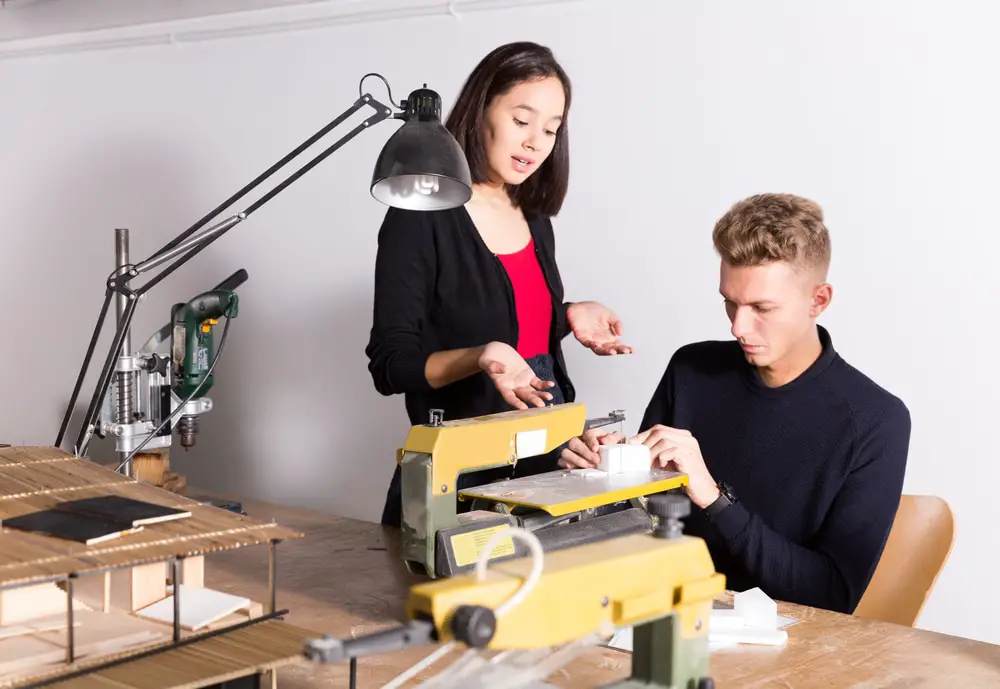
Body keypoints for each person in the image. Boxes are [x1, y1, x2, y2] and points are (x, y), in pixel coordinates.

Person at [559, 193, 910, 615]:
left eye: (762, 308)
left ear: (818, 300)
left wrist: (713, 497)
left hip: (785, 645)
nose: (738, 327)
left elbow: (832, 594)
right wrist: (598, 471)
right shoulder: (692, 368)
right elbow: (639, 522)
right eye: (730, 301)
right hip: (656, 612)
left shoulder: (876, 421)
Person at [366, 41, 632, 528]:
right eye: (522, 120)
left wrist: (565, 315)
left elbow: (507, 320)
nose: (536, 142)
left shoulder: (533, 217)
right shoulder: (422, 216)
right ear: (481, 109)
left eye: (551, 129)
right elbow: (390, 364)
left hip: (544, 472)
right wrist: (479, 356)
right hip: (457, 484)